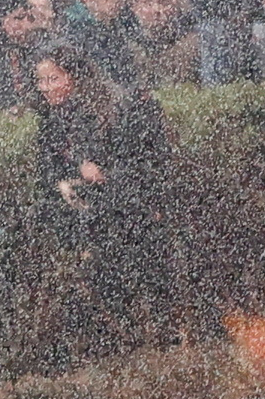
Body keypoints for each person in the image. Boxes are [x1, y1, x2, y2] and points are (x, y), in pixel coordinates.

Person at [27, 44, 174, 353]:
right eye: (41, 81)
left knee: (121, 270)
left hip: (122, 213)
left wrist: (100, 175)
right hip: (78, 216)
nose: (46, 88)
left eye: (54, 79)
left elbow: (140, 165)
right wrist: (66, 183)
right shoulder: (51, 121)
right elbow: (48, 171)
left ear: (74, 77)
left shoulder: (111, 110)